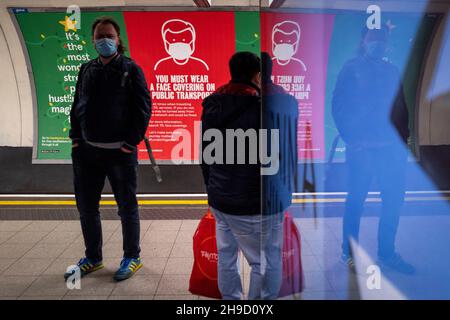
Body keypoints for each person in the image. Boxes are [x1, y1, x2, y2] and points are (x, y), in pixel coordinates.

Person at [64, 17, 151, 282]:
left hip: (119, 154)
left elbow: (143, 109)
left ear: (118, 39)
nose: (104, 40)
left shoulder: (131, 69)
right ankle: (93, 257)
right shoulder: (86, 69)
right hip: (87, 153)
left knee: (126, 207)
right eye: (100, 36)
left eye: (109, 35)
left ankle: (132, 256)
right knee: (87, 207)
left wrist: (129, 143)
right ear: (92, 40)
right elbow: (77, 104)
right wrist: (76, 139)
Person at [332, 26, 414, 274]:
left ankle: (387, 253)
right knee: (356, 201)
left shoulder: (391, 70)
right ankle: (349, 252)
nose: (378, 43)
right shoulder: (351, 68)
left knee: (393, 201)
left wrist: (403, 141)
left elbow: (401, 108)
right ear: (363, 40)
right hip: (363, 150)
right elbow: (338, 105)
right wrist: (352, 139)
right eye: (373, 38)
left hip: (391, 150)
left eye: (382, 39)